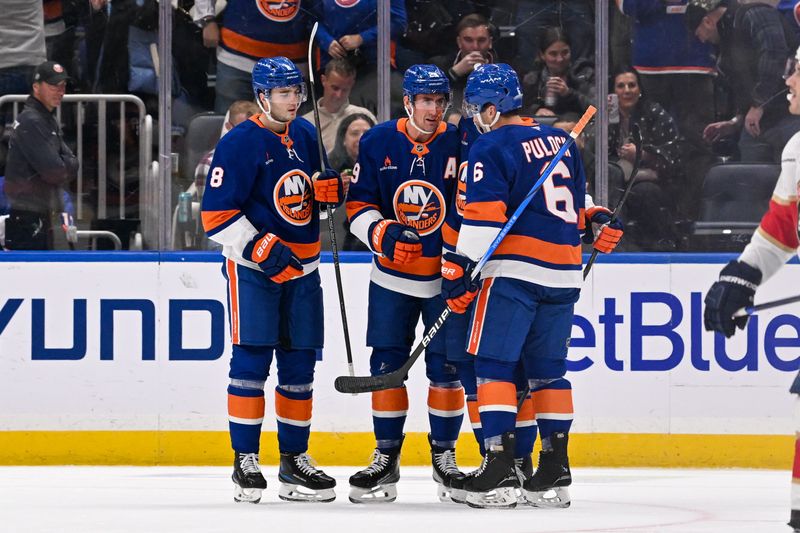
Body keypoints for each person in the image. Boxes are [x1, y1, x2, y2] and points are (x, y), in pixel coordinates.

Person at [439, 63, 622, 509]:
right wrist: (596, 217)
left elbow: (483, 219)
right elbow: (578, 202)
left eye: (476, 107)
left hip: (515, 272)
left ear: (489, 106)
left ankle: (499, 467)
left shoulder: (490, 145)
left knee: (494, 366)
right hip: (563, 271)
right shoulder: (561, 140)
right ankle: (554, 468)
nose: (473, 116)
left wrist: (460, 269)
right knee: (548, 372)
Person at [200, 56, 343, 504]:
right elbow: (216, 215)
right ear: (262, 96)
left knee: (299, 368)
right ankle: (245, 459)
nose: (293, 100)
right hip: (255, 273)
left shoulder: (304, 131)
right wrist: (258, 246)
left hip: (305, 269)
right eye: (284, 93)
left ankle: (294, 460)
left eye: (296, 92)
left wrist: (329, 198)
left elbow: (307, 203)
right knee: (251, 364)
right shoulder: (239, 142)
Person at [344, 64, 462, 503]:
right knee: (387, 368)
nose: (434, 110)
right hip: (391, 278)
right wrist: (381, 233)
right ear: (408, 102)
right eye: (426, 101)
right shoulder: (377, 141)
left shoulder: (460, 140)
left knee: (447, 372)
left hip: (444, 278)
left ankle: (445, 457)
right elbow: (359, 203)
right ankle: (386, 457)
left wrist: (458, 258)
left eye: (440, 101)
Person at [703, 44, 800, 533]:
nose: (789, 83)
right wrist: (743, 275)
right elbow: (784, 227)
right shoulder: (797, 149)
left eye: (796, 72)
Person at [686, 0, 800, 163]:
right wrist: (735, 121)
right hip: (758, 125)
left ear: (707, 21)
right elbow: (743, 85)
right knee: (750, 178)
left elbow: (774, 53)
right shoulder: (725, 45)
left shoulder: (753, 14)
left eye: (699, 34)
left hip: (789, 115)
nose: (703, 40)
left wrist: (758, 103)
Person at [618, 0, 715, 149]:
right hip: (651, 66)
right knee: (649, 142)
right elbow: (628, 5)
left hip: (695, 62)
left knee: (699, 141)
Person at [4, 60, 78, 251]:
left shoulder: (45, 119)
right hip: (27, 218)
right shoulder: (32, 121)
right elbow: (56, 172)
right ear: (36, 87)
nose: (60, 91)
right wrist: (66, 164)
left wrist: (66, 164)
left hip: (38, 214)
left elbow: (70, 164)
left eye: (63, 86)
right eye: (54, 85)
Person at [192, 0, 314, 113]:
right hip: (236, 58)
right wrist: (207, 18)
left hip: (291, 65)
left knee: (289, 132)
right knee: (230, 128)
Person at [608, 67, 683, 250]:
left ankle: (659, 247)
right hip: (615, 181)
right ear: (613, 92)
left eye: (632, 85)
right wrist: (606, 117)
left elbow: (675, 158)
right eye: (621, 86)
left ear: (640, 90)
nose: (627, 90)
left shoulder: (655, 113)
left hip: (650, 181)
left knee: (645, 193)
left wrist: (643, 155)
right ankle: (613, 246)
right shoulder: (605, 115)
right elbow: (594, 153)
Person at [183, 100, 260, 250]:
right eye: (243, 129)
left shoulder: (271, 157)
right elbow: (216, 214)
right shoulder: (209, 164)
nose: (249, 136)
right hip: (226, 230)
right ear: (228, 128)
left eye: (254, 130)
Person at [314, 0, 407, 114]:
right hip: (331, 65)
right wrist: (326, 41)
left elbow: (398, 22)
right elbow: (311, 19)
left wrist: (362, 38)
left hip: (373, 66)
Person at [429, 13, 498, 121]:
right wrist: (454, 73)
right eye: (468, 40)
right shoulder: (439, 65)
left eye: (481, 40)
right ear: (459, 42)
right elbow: (424, 98)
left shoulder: (503, 69)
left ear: (490, 42)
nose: (475, 46)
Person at [322, 112, 375, 253]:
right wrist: (334, 190)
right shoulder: (329, 169)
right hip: (340, 241)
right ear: (343, 139)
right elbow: (321, 215)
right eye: (355, 133)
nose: (361, 137)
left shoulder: (386, 167)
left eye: (366, 133)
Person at [301, 58, 376, 154]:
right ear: (323, 80)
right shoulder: (306, 123)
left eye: (345, 90)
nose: (339, 95)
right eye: (335, 88)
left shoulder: (365, 117)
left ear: (352, 85)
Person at [521, 26, 594, 118]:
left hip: (578, 128)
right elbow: (518, 113)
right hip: (545, 130)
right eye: (553, 54)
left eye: (565, 52)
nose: (560, 59)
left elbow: (597, 110)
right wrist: (535, 111)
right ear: (542, 55)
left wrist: (569, 94)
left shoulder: (584, 74)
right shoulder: (532, 80)